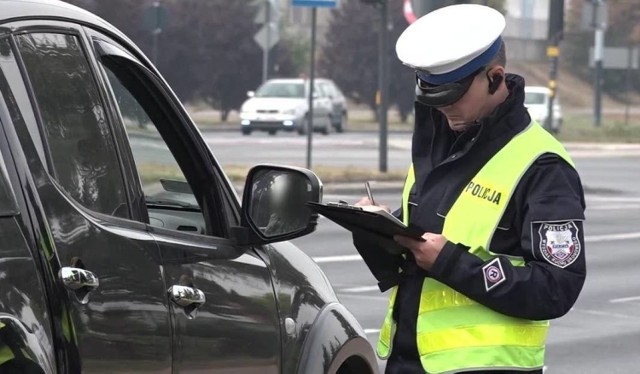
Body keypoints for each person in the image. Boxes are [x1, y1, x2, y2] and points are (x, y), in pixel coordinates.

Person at [352, 4, 586, 374]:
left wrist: (451, 262)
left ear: (495, 78)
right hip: (409, 362)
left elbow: (556, 287)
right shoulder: (439, 149)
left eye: (452, 97)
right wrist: (374, 231)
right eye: (434, 98)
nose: (444, 110)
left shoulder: (542, 166)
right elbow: (418, 259)